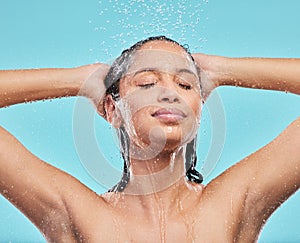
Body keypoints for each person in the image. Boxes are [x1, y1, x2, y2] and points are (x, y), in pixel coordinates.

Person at [0, 36, 299, 242]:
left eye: (185, 84)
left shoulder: (234, 204)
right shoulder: (78, 214)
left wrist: (223, 70)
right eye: (147, 82)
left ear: (199, 108)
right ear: (112, 110)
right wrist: (77, 80)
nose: (170, 92)